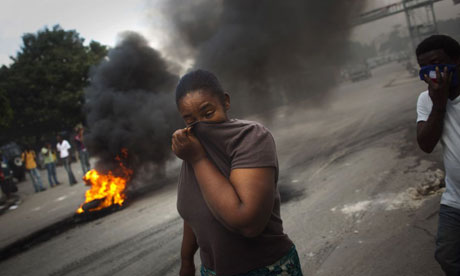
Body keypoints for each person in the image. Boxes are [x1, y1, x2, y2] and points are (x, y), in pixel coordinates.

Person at [172, 70, 302, 276]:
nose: (201, 126)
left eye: (208, 114)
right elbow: (194, 212)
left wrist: (198, 159)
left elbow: (247, 222)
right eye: (190, 120)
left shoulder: (251, 137)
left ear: (225, 102)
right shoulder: (193, 144)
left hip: (265, 269)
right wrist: (187, 261)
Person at [415, 34, 460, 276]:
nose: (433, 73)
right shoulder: (426, 100)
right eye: (425, 69)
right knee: (447, 256)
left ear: (456, 61)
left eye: (437, 63)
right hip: (456, 199)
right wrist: (439, 105)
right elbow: (426, 143)